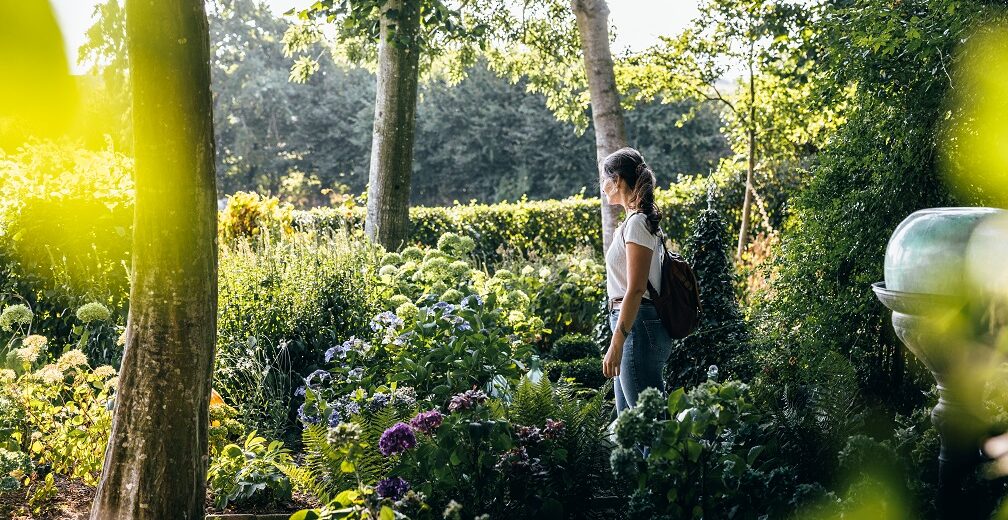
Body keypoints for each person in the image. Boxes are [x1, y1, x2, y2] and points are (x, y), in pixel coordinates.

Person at [600, 147, 673, 416]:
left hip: (637, 326)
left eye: (603, 179)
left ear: (617, 180)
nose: (602, 186)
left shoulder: (638, 223)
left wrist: (617, 341)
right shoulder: (635, 221)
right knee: (631, 425)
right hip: (633, 324)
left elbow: (636, 288)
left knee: (650, 425)